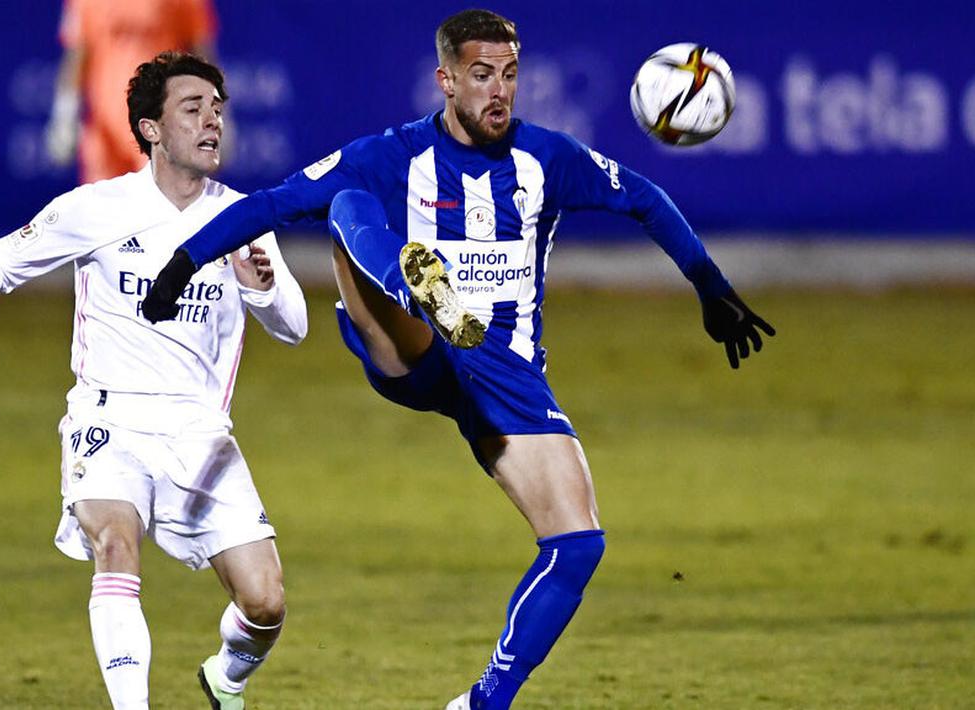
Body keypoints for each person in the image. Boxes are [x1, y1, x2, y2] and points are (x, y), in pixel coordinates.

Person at [140, 9, 775, 709]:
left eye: (509, 74)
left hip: (504, 372)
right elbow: (273, 203)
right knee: (346, 199)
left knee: (578, 544)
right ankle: (415, 287)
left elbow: (646, 200)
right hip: (413, 346)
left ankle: (482, 701)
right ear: (445, 81)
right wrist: (183, 262)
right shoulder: (394, 154)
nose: (498, 90)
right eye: (480, 75)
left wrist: (712, 289)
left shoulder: (548, 158)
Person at [0, 52, 306, 710]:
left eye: (217, 110)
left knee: (265, 602)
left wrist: (262, 289)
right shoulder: (98, 208)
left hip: (199, 433)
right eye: (192, 109)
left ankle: (226, 677)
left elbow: (295, 327)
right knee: (114, 543)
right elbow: (3, 262)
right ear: (151, 129)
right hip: (109, 420)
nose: (212, 121)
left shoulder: (244, 217)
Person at [46, 0, 219, 183]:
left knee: (158, 195)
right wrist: (64, 114)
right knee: (104, 199)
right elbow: (78, 54)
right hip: (105, 132)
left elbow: (200, 52)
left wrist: (215, 111)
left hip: (159, 122)